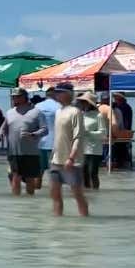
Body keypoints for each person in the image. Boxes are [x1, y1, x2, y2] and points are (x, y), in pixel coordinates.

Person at [0, 88, 48, 196]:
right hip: (14, 151)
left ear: (24, 97)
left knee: (30, 179)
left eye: (17, 96)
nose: (14, 98)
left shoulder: (36, 112)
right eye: (13, 96)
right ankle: (17, 205)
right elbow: (3, 128)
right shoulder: (9, 112)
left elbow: (45, 129)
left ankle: (29, 205)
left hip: (31, 152)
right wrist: (0, 134)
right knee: (15, 177)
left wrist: (34, 134)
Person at [50, 83, 89, 217]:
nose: (56, 95)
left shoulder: (75, 112)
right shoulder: (58, 112)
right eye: (56, 92)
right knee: (54, 194)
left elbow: (78, 137)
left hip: (72, 161)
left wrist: (71, 158)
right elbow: (58, 136)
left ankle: (85, 221)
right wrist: (52, 155)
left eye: (59, 92)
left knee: (77, 194)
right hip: (56, 160)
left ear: (68, 94)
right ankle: (57, 223)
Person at [76, 91, 107, 189]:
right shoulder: (81, 114)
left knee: (92, 173)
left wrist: (88, 133)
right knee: (83, 174)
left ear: (89, 103)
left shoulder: (98, 115)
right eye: (82, 102)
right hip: (81, 148)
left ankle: (96, 193)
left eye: (84, 102)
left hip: (94, 149)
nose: (82, 104)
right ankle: (88, 195)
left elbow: (103, 133)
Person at [98, 91, 124, 168]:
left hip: (109, 139)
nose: (106, 101)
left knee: (108, 162)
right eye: (104, 100)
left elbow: (118, 125)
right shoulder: (98, 109)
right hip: (102, 140)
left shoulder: (116, 111)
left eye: (107, 99)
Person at [112, 91, 133, 169]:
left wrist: (124, 132)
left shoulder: (125, 107)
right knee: (119, 148)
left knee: (120, 148)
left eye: (116, 97)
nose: (114, 99)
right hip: (120, 131)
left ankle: (120, 162)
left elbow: (127, 121)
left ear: (120, 98)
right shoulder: (120, 106)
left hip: (123, 132)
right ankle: (120, 162)